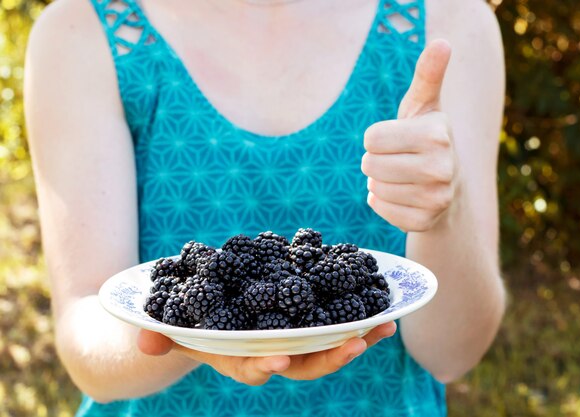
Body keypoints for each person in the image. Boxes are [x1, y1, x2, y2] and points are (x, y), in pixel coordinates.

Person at [24, 0, 506, 415]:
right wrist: (198, 329)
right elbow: (87, 336)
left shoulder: (451, 22)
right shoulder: (81, 33)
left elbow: (453, 355)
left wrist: (447, 211)